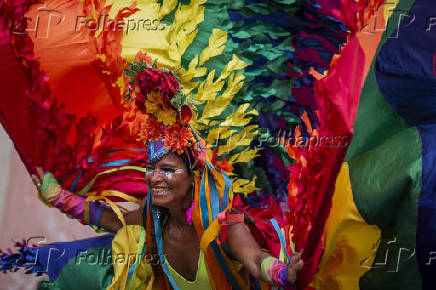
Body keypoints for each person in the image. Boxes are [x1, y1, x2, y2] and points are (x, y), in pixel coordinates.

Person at [22, 60, 303, 290]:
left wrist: (281, 273)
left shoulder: (224, 224)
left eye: (167, 170)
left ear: (194, 176)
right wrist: (59, 198)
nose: (154, 178)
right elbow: (110, 219)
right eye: (151, 168)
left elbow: (255, 260)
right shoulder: (153, 216)